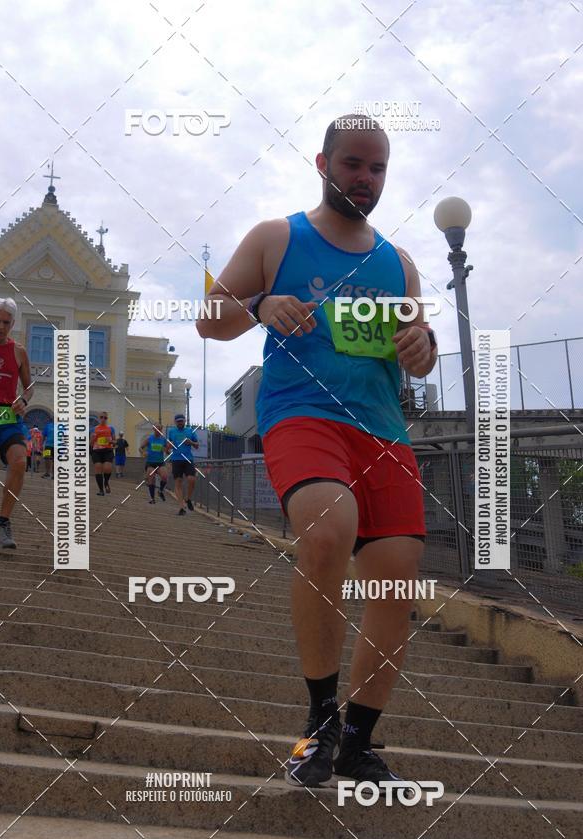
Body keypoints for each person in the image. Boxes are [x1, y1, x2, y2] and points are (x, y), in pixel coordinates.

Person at [198, 114, 438, 788]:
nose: (365, 178)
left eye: (378, 168)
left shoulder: (400, 262)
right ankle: (318, 723)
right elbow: (209, 320)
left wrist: (424, 347)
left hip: (383, 430)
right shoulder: (279, 236)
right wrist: (262, 304)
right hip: (303, 416)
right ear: (323, 163)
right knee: (328, 532)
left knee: (395, 580)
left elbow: (417, 354)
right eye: (353, 163)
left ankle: (357, 740)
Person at [0, 297, 33, 549]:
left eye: (6, 322)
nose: (1, 326)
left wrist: (23, 399)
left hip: (7, 416)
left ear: (12, 323)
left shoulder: (19, 351)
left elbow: (29, 386)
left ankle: (2, 524)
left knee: (19, 461)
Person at [166, 414, 199, 515]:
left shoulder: (190, 431)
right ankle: (181, 508)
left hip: (188, 459)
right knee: (178, 482)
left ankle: (188, 499)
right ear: (175, 422)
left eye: (182, 421)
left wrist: (191, 442)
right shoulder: (171, 431)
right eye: (178, 421)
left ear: (185, 421)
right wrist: (169, 446)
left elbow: (197, 446)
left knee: (192, 480)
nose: (180, 423)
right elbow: (167, 446)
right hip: (176, 459)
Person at [139, 424, 168, 503]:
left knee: (165, 476)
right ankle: (152, 498)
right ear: (154, 429)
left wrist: (165, 450)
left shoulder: (163, 439)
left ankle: (160, 491)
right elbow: (140, 448)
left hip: (160, 463)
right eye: (156, 429)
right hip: (150, 463)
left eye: (159, 430)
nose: (158, 431)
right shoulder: (149, 439)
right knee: (151, 478)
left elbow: (168, 451)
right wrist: (143, 453)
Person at [90, 411, 115, 496]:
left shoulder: (111, 428)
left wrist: (111, 441)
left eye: (105, 417)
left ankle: (106, 482)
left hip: (107, 450)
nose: (103, 419)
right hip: (97, 451)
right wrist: (93, 439)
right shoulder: (94, 429)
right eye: (101, 417)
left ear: (107, 419)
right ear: (99, 418)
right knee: (98, 468)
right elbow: (91, 443)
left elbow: (114, 441)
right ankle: (101, 490)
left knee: (107, 468)